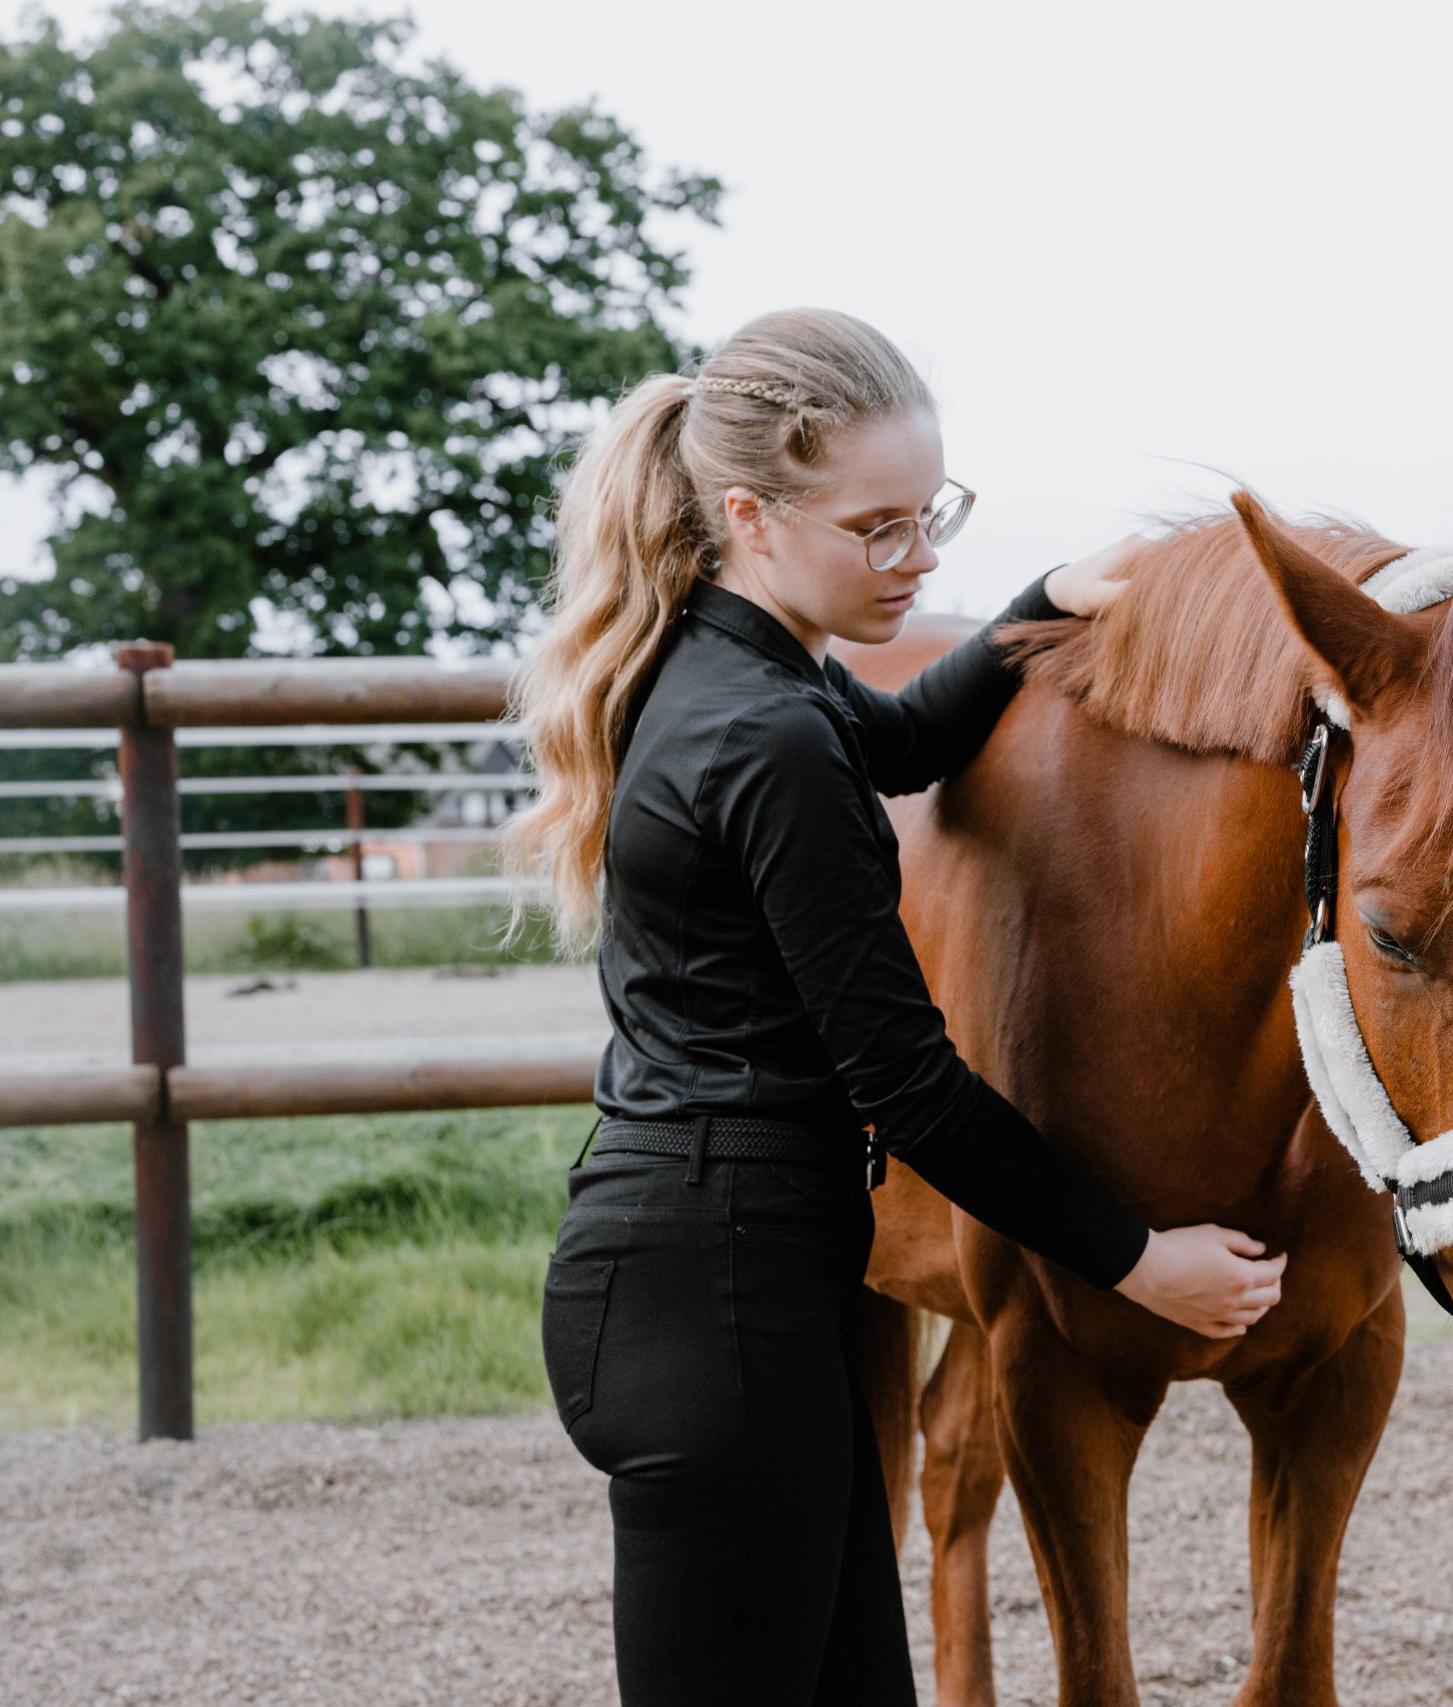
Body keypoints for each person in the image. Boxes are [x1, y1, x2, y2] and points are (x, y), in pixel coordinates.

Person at [503, 308, 1286, 1706]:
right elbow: (909, 1081)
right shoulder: (765, 730)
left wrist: (1044, 599)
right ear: (746, 513)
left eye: (932, 517)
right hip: (716, 1303)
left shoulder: (740, 664)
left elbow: (907, 738)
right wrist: (1134, 1259)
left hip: (733, 1283)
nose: (917, 559)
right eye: (877, 529)